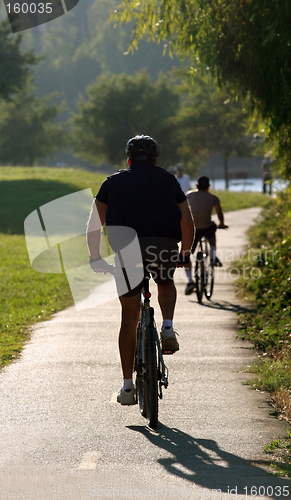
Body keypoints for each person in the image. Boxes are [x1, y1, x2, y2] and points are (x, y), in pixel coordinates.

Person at [86, 135, 195, 405]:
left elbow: (93, 226)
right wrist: (184, 252)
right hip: (164, 245)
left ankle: (126, 388)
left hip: (127, 251)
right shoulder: (169, 180)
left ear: (128, 160)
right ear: (156, 159)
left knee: (128, 320)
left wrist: (96, 257)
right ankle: (168, 326)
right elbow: (187, 221)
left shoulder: (112, 183)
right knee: (165, 281)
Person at [184, 175, 226, 295]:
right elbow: (219, 213)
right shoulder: (213, 198)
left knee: (186, 254)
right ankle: (212, 256)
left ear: (197, 185)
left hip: (192, 230)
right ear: (208, 187)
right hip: (206, 228)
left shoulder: (189, 195)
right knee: (212, 232)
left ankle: (190, 281)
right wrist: (222, 223)